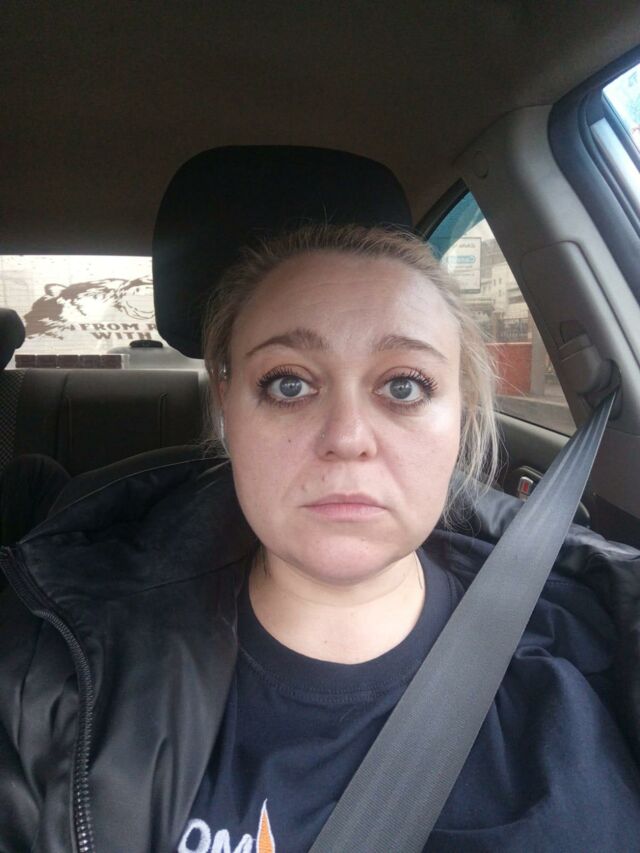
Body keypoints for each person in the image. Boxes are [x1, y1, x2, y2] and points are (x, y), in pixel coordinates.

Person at [0, 224, 639, 853]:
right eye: (289, 384)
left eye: (404, 386)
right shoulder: (52, 670)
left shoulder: (603, 649)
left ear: (461, 414)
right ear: (226, 407)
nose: (347, 437)